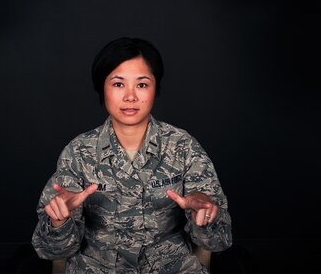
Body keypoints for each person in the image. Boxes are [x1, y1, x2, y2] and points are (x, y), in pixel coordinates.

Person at [32, 37, 232, 272]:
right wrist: (59, 222)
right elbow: (51, 252)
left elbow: (218, 242)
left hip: (170, 265)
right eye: (118, 84)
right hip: (97, 267)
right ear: (101, 88)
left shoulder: (182, 146)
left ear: (155, 87)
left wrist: (205, 216)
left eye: (142, 84)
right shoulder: (78, 152)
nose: (130, 96)